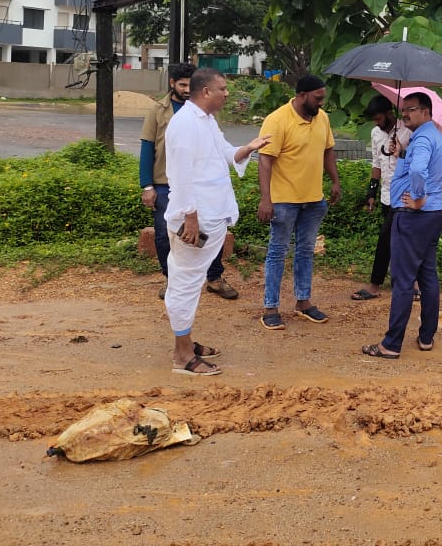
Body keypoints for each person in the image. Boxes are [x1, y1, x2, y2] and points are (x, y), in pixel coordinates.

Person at [163, 68, 270, 376]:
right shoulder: (184, 124)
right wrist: (190, 218)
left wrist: (248, 148)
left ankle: (186, 342)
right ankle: (182, 356)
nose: (227, 93)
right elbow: (180, 176)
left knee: (192, 282)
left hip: (212, 214)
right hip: (196, 220)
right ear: (206, 92)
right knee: (185, 284)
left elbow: (225, 153)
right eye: (222, 89)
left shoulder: (206, 121)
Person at [139, 62, 239, 301]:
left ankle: (214, 278)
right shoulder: (159, 112)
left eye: (189, 84)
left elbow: (214, 148)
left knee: (206, 234)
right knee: (167, 234)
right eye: (182, 84)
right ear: (173, 83)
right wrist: (147, 185)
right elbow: (147, 148)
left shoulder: (203, 114)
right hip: (165, 182)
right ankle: (173, 280)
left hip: (195, 185)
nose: (186, 89)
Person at [362, 92, 442, 359]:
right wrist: (404, 152)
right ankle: (426, 337)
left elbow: (418, 170)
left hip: (414, 218)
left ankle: (391, 344)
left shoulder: (422, 138)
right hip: (432, 216)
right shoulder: (431, 136)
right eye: (403, 111)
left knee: (402, 281)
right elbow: (418, 162)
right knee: (427, 276)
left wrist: (419, 198)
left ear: (426, 111)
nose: (405, 115)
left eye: (411, 110)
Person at [256, 75, 341, 330]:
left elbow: (328, 151)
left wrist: (335, 181)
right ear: (302, 95)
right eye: (318, 98)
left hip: (314, 200)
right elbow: (265, 160)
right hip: (283, 202)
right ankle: (271, 307)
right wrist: (266, 199)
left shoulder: (322, 118)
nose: (321, 102)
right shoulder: (277, 120)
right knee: (277, 252)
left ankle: (303, 302)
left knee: (305, 251)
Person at [352, 94, 412, 301]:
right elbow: (376, 163)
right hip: (386, 195)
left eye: (379, 118)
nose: (377, 123)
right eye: (374, 120)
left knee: (386, 239)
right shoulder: (375, 133)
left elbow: (415, 163)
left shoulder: (407, 131)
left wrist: (401, 150)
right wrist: (372, 191)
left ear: (389, 113)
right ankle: (412, 284)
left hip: (404, 195)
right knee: (399, 240)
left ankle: (375, 285)